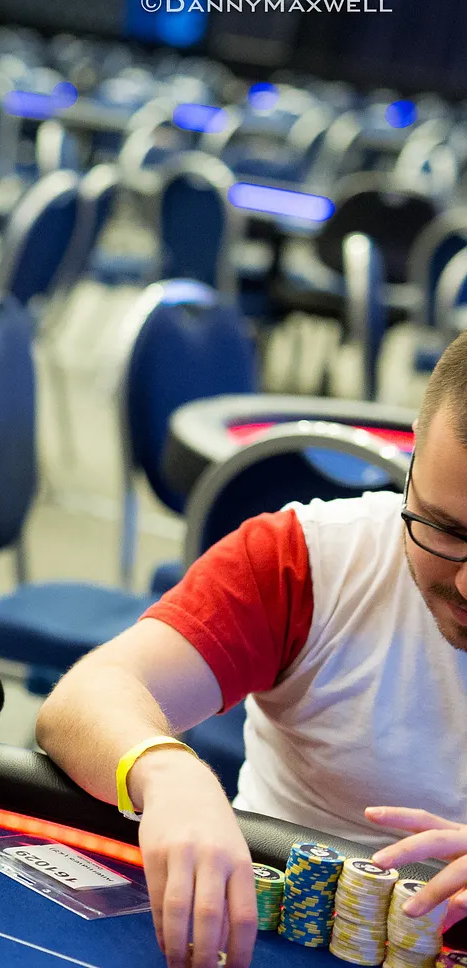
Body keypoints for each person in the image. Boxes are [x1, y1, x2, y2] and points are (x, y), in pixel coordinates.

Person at [35, 331, 467, 968]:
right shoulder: (308, 561)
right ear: (412, 467)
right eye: (445, 529)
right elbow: (85, 698)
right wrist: (164, 770)